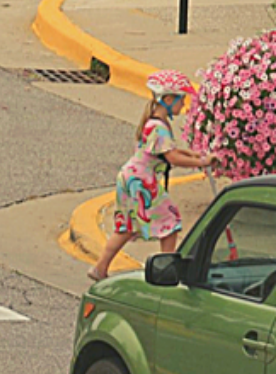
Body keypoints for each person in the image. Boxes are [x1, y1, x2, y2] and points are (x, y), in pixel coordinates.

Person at [89, 70, 215, 281]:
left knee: (126, 227)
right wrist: (200, 162)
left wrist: (193, 154)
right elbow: (172, 157)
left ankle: (100, 268)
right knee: (170, 221)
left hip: (130, 178)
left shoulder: (153, 123)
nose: (182, 105)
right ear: (166, 99)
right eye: (180, 100)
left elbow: (168, 152)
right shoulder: (159, 127)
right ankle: (166, 271)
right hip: (142, 182)